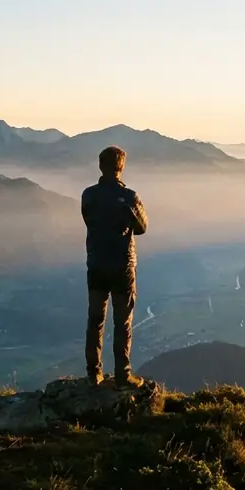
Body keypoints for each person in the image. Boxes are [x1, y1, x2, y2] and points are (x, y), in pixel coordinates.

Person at [82, 145, 149, 388]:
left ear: (101, 166)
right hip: (123, 266)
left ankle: (93, 373)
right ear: (121, 168)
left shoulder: (88, 195)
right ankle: (123, 374)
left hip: (97, 265)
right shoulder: (130, 197)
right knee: (122, 322)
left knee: (95, 320)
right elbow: (142, 227)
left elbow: (88, 219)